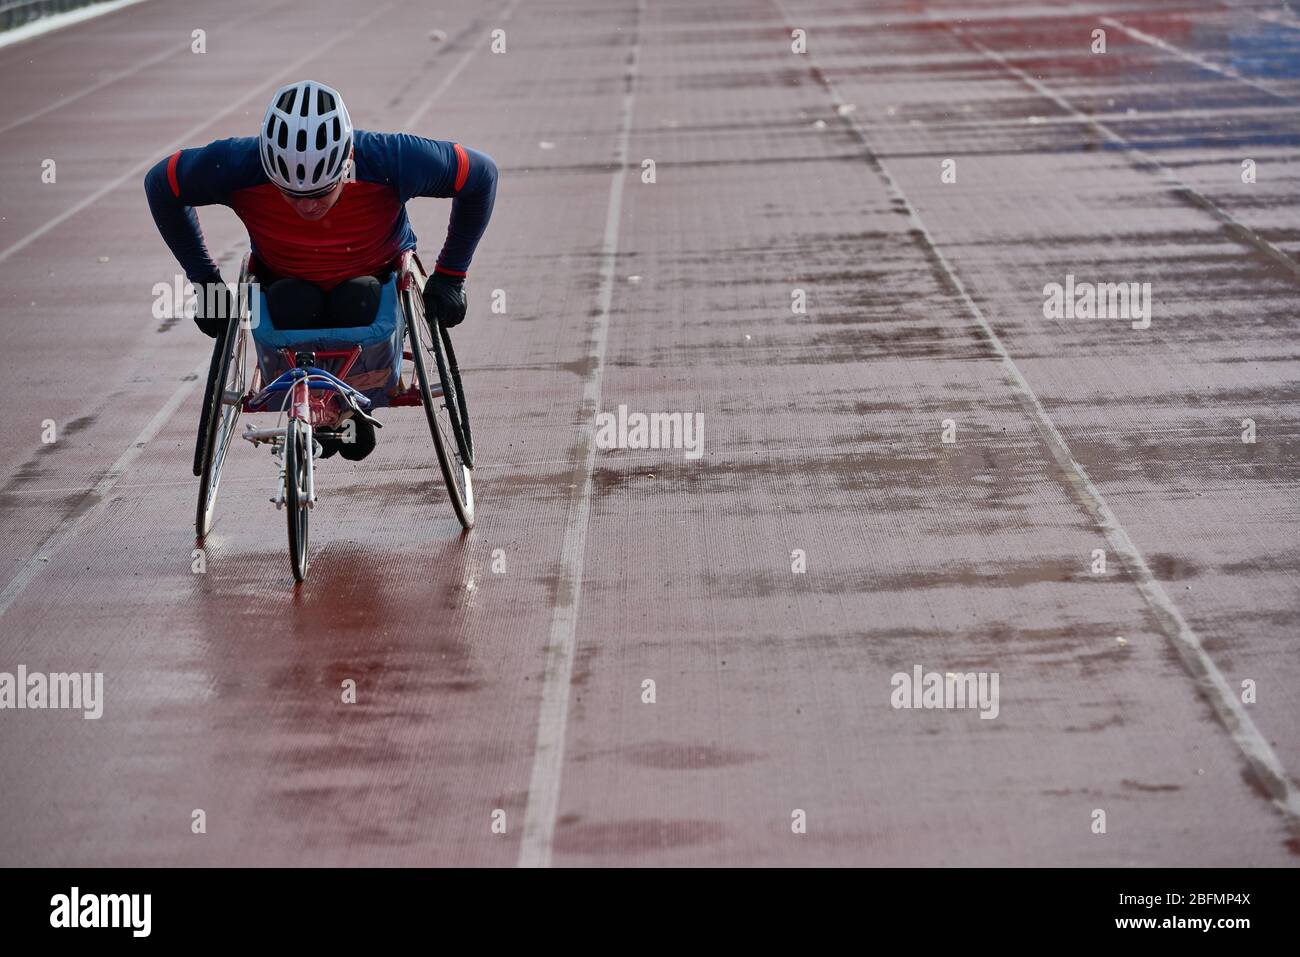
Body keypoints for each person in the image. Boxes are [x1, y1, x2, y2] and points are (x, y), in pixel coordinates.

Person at [144, 79, 497, 460]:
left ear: (346, 165)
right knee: (290, 300)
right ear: (268, 168)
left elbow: (481, 176)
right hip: (285, 284)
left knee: (357, 297)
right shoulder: (236, 165)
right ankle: (325, 409)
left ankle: (345, 406)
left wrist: (451, 276)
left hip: (373, 282)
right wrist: (207, 285)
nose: (308, 207)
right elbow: (161, 185)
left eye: (320, 193)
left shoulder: (391, 158)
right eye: (291, 194)